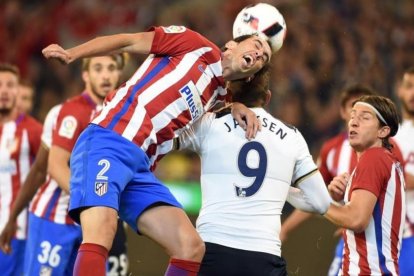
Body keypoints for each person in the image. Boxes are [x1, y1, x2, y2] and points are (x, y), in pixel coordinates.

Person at [42, 25, 270, 275]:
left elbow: (218, 109)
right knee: (102, 231)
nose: (259, 54)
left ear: (251, 75)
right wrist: (72, 53)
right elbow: (128, 41)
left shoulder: (219, 96)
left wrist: (236, 105)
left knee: (190, 247)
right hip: (109, 140)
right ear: (231, 45)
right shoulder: (193, 43)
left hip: (141, 169)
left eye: (264, 58)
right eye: (257, 45)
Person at [175, 65, 332, 275]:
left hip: (213, 250)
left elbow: (166, 135)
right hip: (264, 256)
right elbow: (321, 203)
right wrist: (279, 186)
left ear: (228, 93)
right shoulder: (292, 137)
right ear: (267, 98)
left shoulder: (210, 124)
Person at [0, 55, 130, 275]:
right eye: (98, 69)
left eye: (111, 69)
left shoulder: (122, 115)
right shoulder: (66, 112)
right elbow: (46, 167)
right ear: (85, 75)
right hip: (55, 217)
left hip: (95, 221)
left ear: (119, 74)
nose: (106, 75)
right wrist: (14, 216)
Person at [280, 84, 375, 275]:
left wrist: (358, 218)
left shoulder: (385, 148)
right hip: (352, 240)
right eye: (353, 107)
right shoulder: (331, 150)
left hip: (387, 239)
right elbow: (315, 196)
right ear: (342, 112)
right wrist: (286, 229)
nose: (358, 114)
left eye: (366, 108)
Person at [324, 95, 405, 275]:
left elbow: (357, 219)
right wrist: (338, 200)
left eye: (365, 117)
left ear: (383, 131)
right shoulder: (383, 160)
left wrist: (319, 203)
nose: (353, 122)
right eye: (353, 116)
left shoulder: (374, 158)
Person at [0, 63, 43, 275]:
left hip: (18, 230)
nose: (4, 91)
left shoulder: (33, 131)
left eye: (10, 85)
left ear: (18, 91)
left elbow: (48, 172)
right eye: (0, 85)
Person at [393, 66, 414, 275]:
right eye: (409, 86)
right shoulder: (391, 137)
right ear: (399, 90)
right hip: (397, 236)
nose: (413, 93)